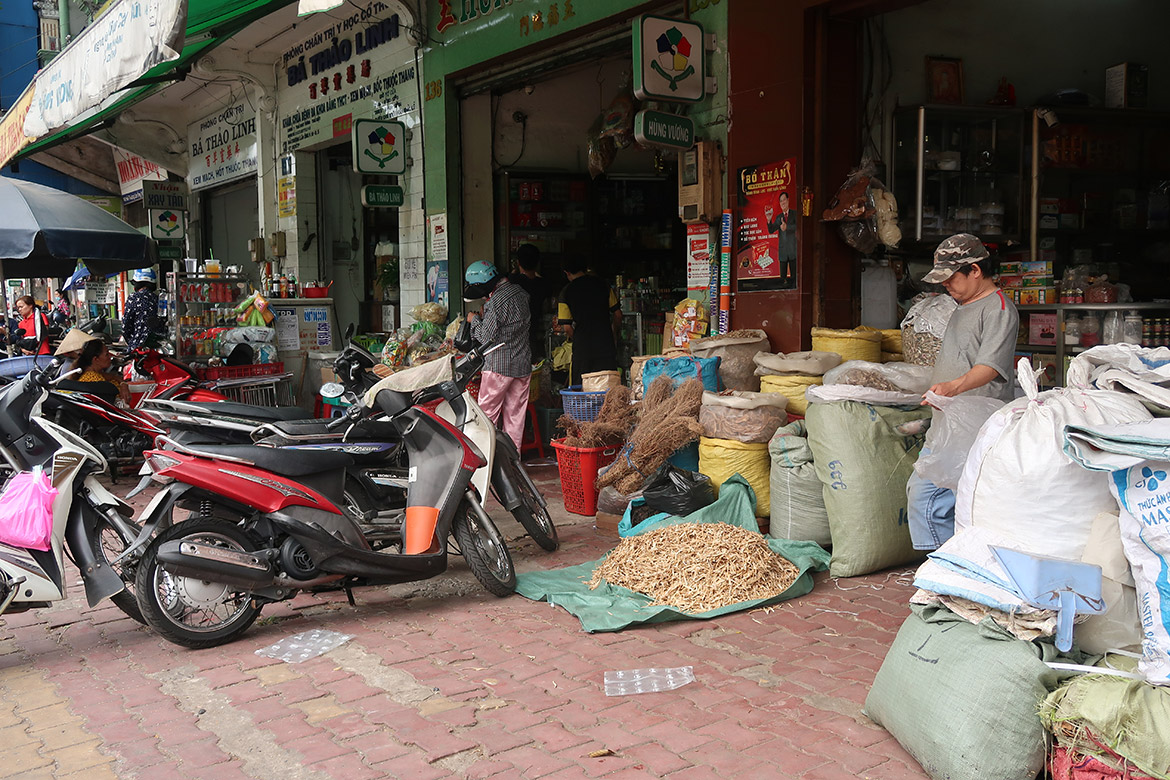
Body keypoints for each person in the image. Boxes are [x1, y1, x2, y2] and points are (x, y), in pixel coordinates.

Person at [906, 233, 1018, 551]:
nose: (946, 286)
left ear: (975, 271)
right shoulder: (962, 306)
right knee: (943, 500)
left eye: (951, 278)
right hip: (949, 422)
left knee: (927, 496)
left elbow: (990, 368)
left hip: (973, 426)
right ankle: (947, 574)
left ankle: (943, 575)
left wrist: (952, 387)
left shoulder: (998, 309)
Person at [465, 259, 532, 452]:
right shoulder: (521, 293)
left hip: (499, 366)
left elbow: (486, 336)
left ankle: (486, 462)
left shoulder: (496, 301)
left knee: (486, 416)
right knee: (516, 418)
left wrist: (474, 320)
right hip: (522, 364)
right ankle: (512, 463)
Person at [557, 255, 621, 387]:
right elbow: (618, 314)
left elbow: (567, 328)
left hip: (582, 348)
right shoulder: (603, 284)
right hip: (605, 344)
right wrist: (614, 334)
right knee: (608, 387)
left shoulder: (566, 291)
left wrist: (580, 339)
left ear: (567, 273)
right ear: (585, 269)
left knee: (581, 388)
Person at [55, 329, 130, 405]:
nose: (110, 357)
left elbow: (113, 377)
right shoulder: (94, 380)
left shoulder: (93, 374)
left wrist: (123, 384)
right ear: (96, 359)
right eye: (107, 354)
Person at [509, 243, 549, 360]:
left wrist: (514, 271)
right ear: (537, 263)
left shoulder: (513, 282)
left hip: (516, 335)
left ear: (518, 262)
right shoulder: (543, 285)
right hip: (537, 330)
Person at [122, 269, 165, 350]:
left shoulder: (134, 297)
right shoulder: (159, 299)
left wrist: (132, 340)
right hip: (159, 347)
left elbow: (126, 326)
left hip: (138, 347)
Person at [766, 191, 797, 285]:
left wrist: (787, 227)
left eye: (784, 200)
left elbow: (799, 227)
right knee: (782, 280)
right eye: (781, 201)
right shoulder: (779, 217)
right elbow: (771, 230)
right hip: (783, 252)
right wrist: (769, 220)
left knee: (794, 279)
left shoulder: (795, 214)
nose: (783, 202)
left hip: (793, 251)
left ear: (788, 200)